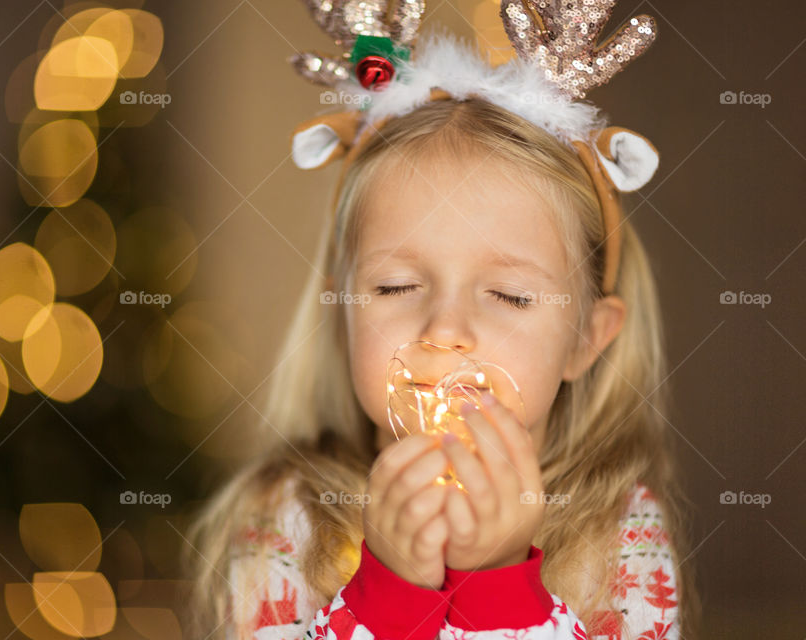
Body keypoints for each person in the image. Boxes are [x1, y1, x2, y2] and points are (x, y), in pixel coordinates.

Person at [186, 2, 696, 638]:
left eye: (510, 295)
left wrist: (500, 585)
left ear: (585, 339)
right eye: (396, 285)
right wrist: (390, 596)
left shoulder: (619, 535)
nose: (445, 329)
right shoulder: (284, 518)